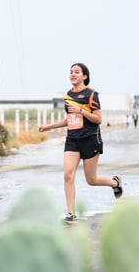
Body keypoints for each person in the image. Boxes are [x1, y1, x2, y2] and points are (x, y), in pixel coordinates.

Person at [38, 62, 123, 222]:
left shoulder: (91, 94)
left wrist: (82, 111)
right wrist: (49, 127)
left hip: (90, 139)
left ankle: (114, 183)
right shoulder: (67, 95)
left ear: (85, 76)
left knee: (91, 180)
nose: (73, 74)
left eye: (76, 72)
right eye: (71, 72)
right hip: (72, 139)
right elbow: (69, 120)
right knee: (68, 175)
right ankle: (70, 213)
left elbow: (98, 119)